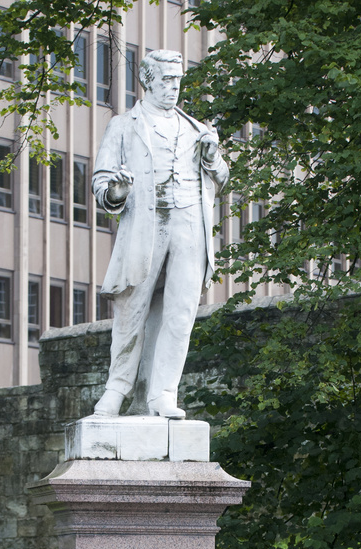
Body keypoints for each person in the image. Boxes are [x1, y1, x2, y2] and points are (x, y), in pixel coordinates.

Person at [91, 49, 229, 419]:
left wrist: (213, 156)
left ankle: (163, 394)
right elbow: (101, 182)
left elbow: (222, 176)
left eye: (178, 81)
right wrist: (117, 192)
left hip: (189, 226)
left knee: (180, 315)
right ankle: (115, 392)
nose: (173, 88)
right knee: (131, 311)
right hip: (146, 227)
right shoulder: (123, 125)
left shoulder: (196, 129)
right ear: (148, 81)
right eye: (166, 80)